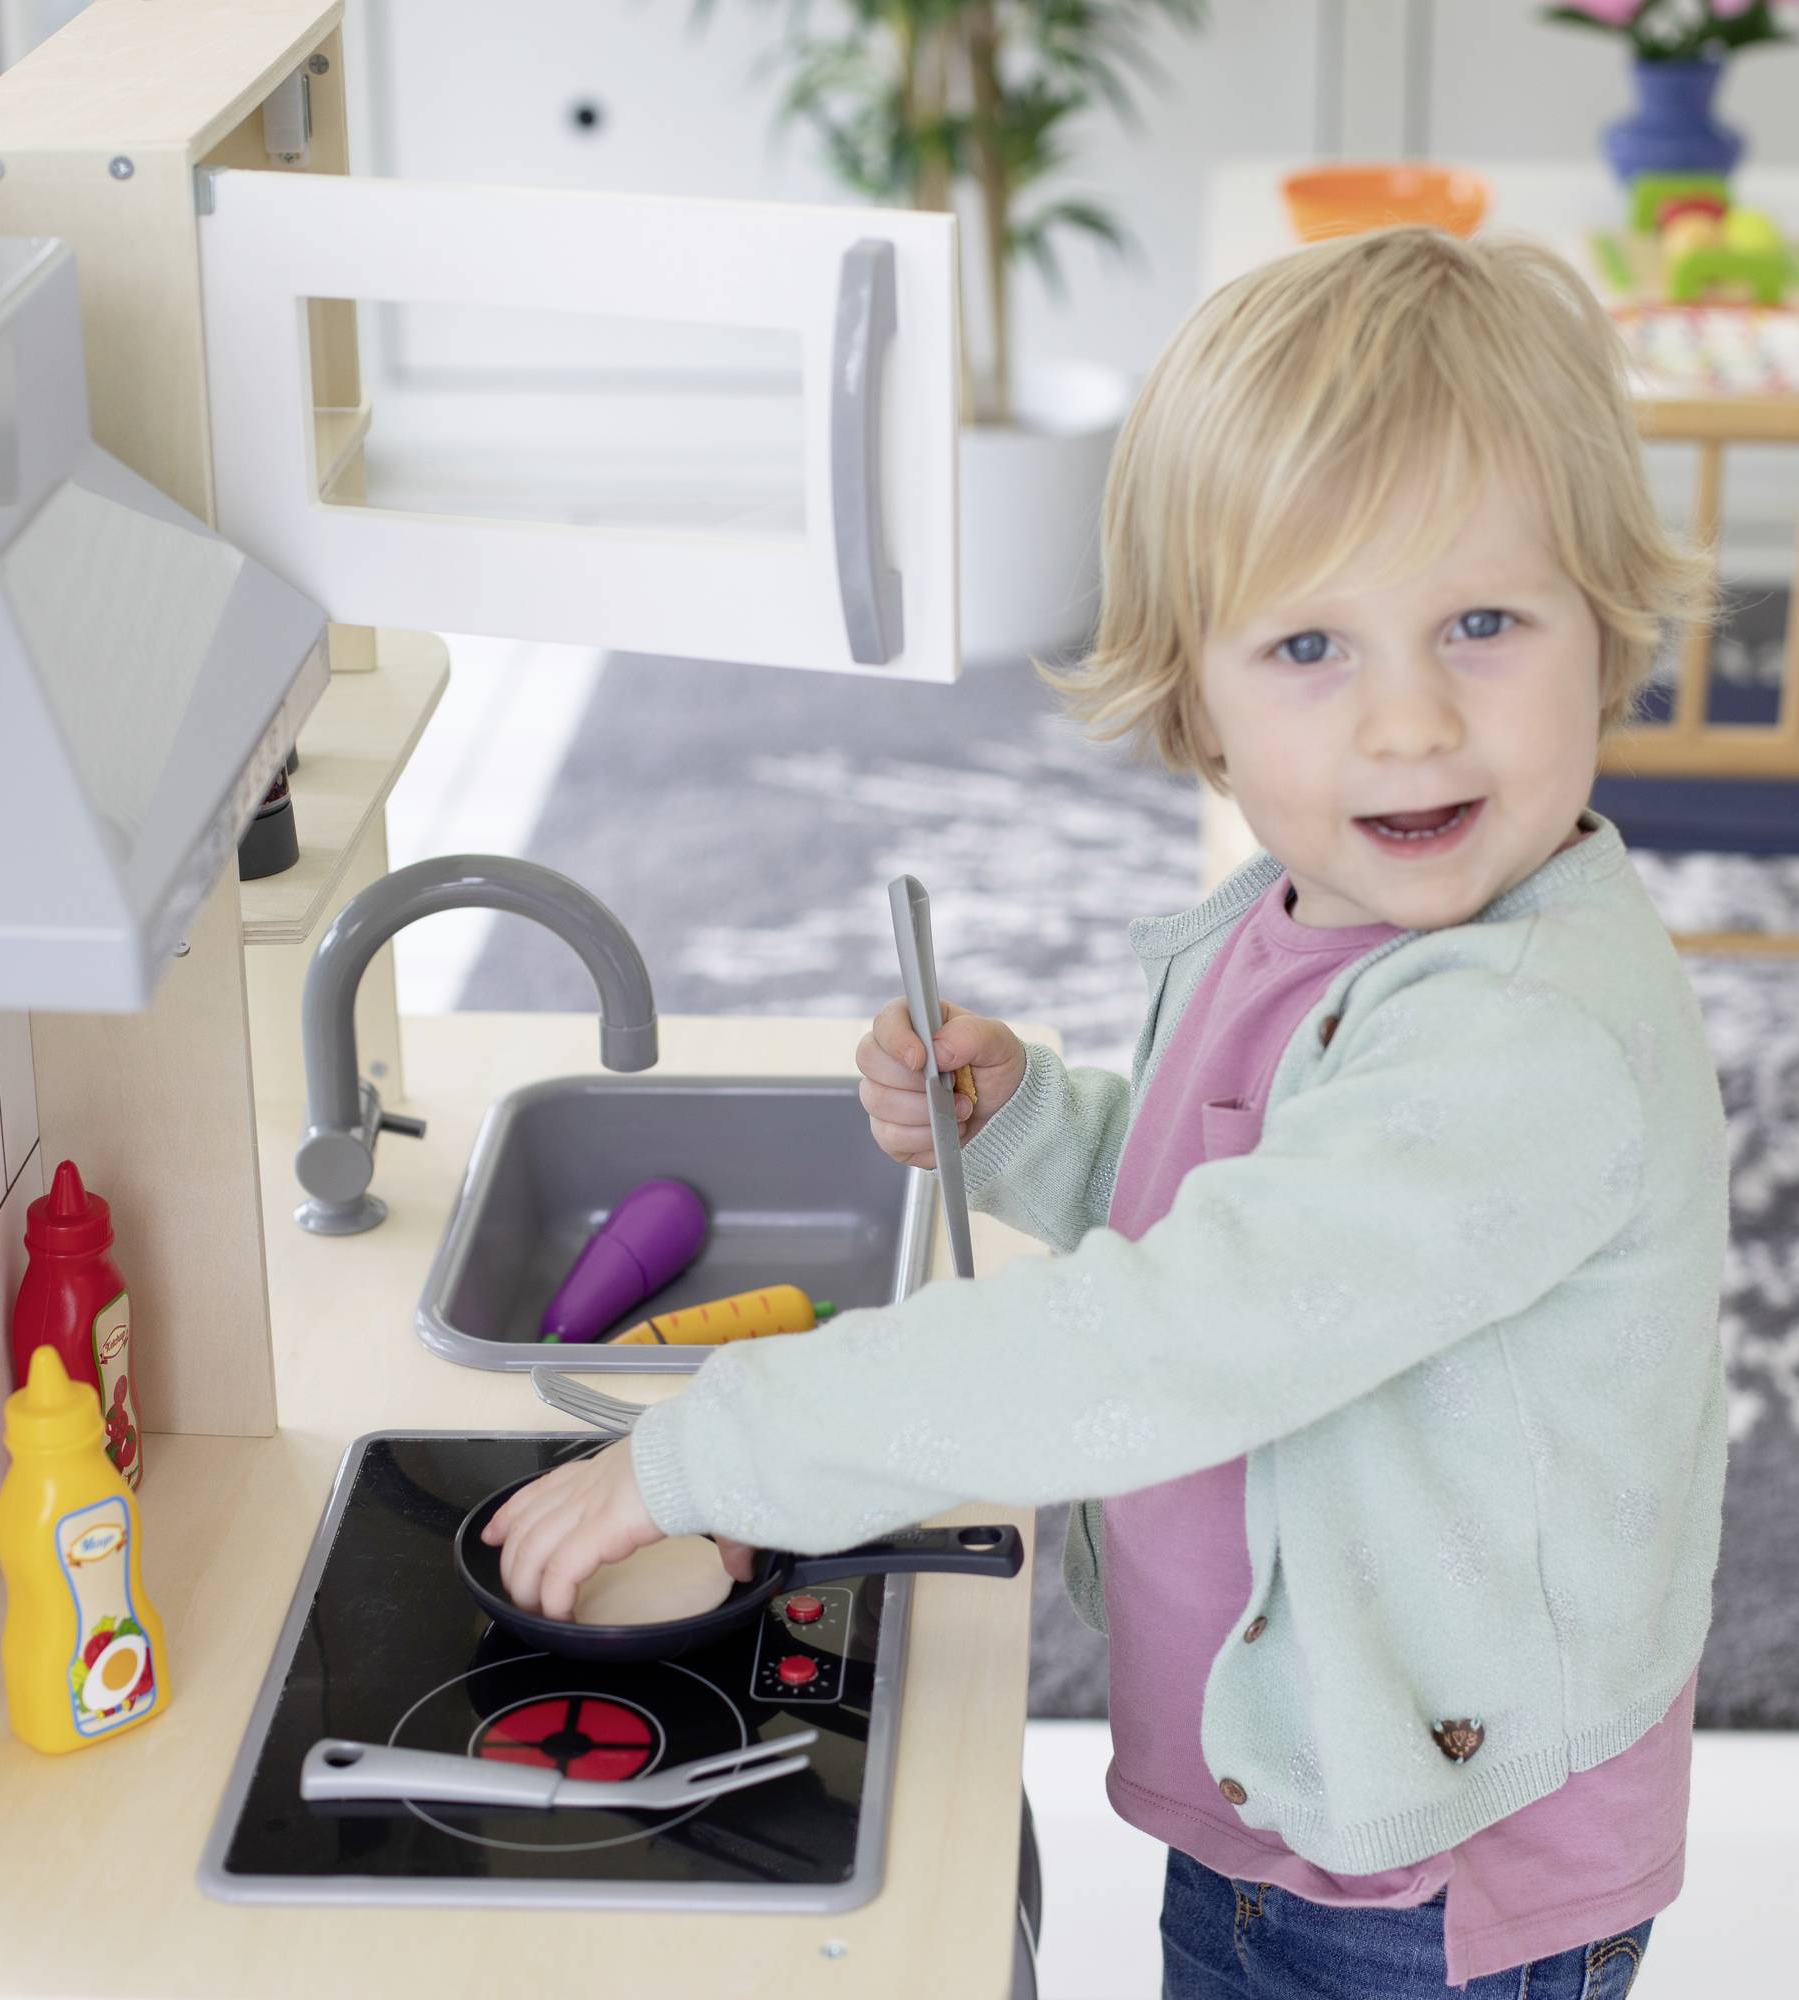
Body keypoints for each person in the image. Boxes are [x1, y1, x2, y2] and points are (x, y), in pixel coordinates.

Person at [486, 224, 1724, 1998]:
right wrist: (1050, 1130)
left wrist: (717, 1447)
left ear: (1604, 630)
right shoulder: (1326, 924)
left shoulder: (1527, 1045)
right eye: (1311, 644)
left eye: (1482, 622)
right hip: (1292, 1792)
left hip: (1433, 1867)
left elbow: (1171, 1336)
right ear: (1197, 708)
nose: (1411, 717)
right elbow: (1259, 1191)